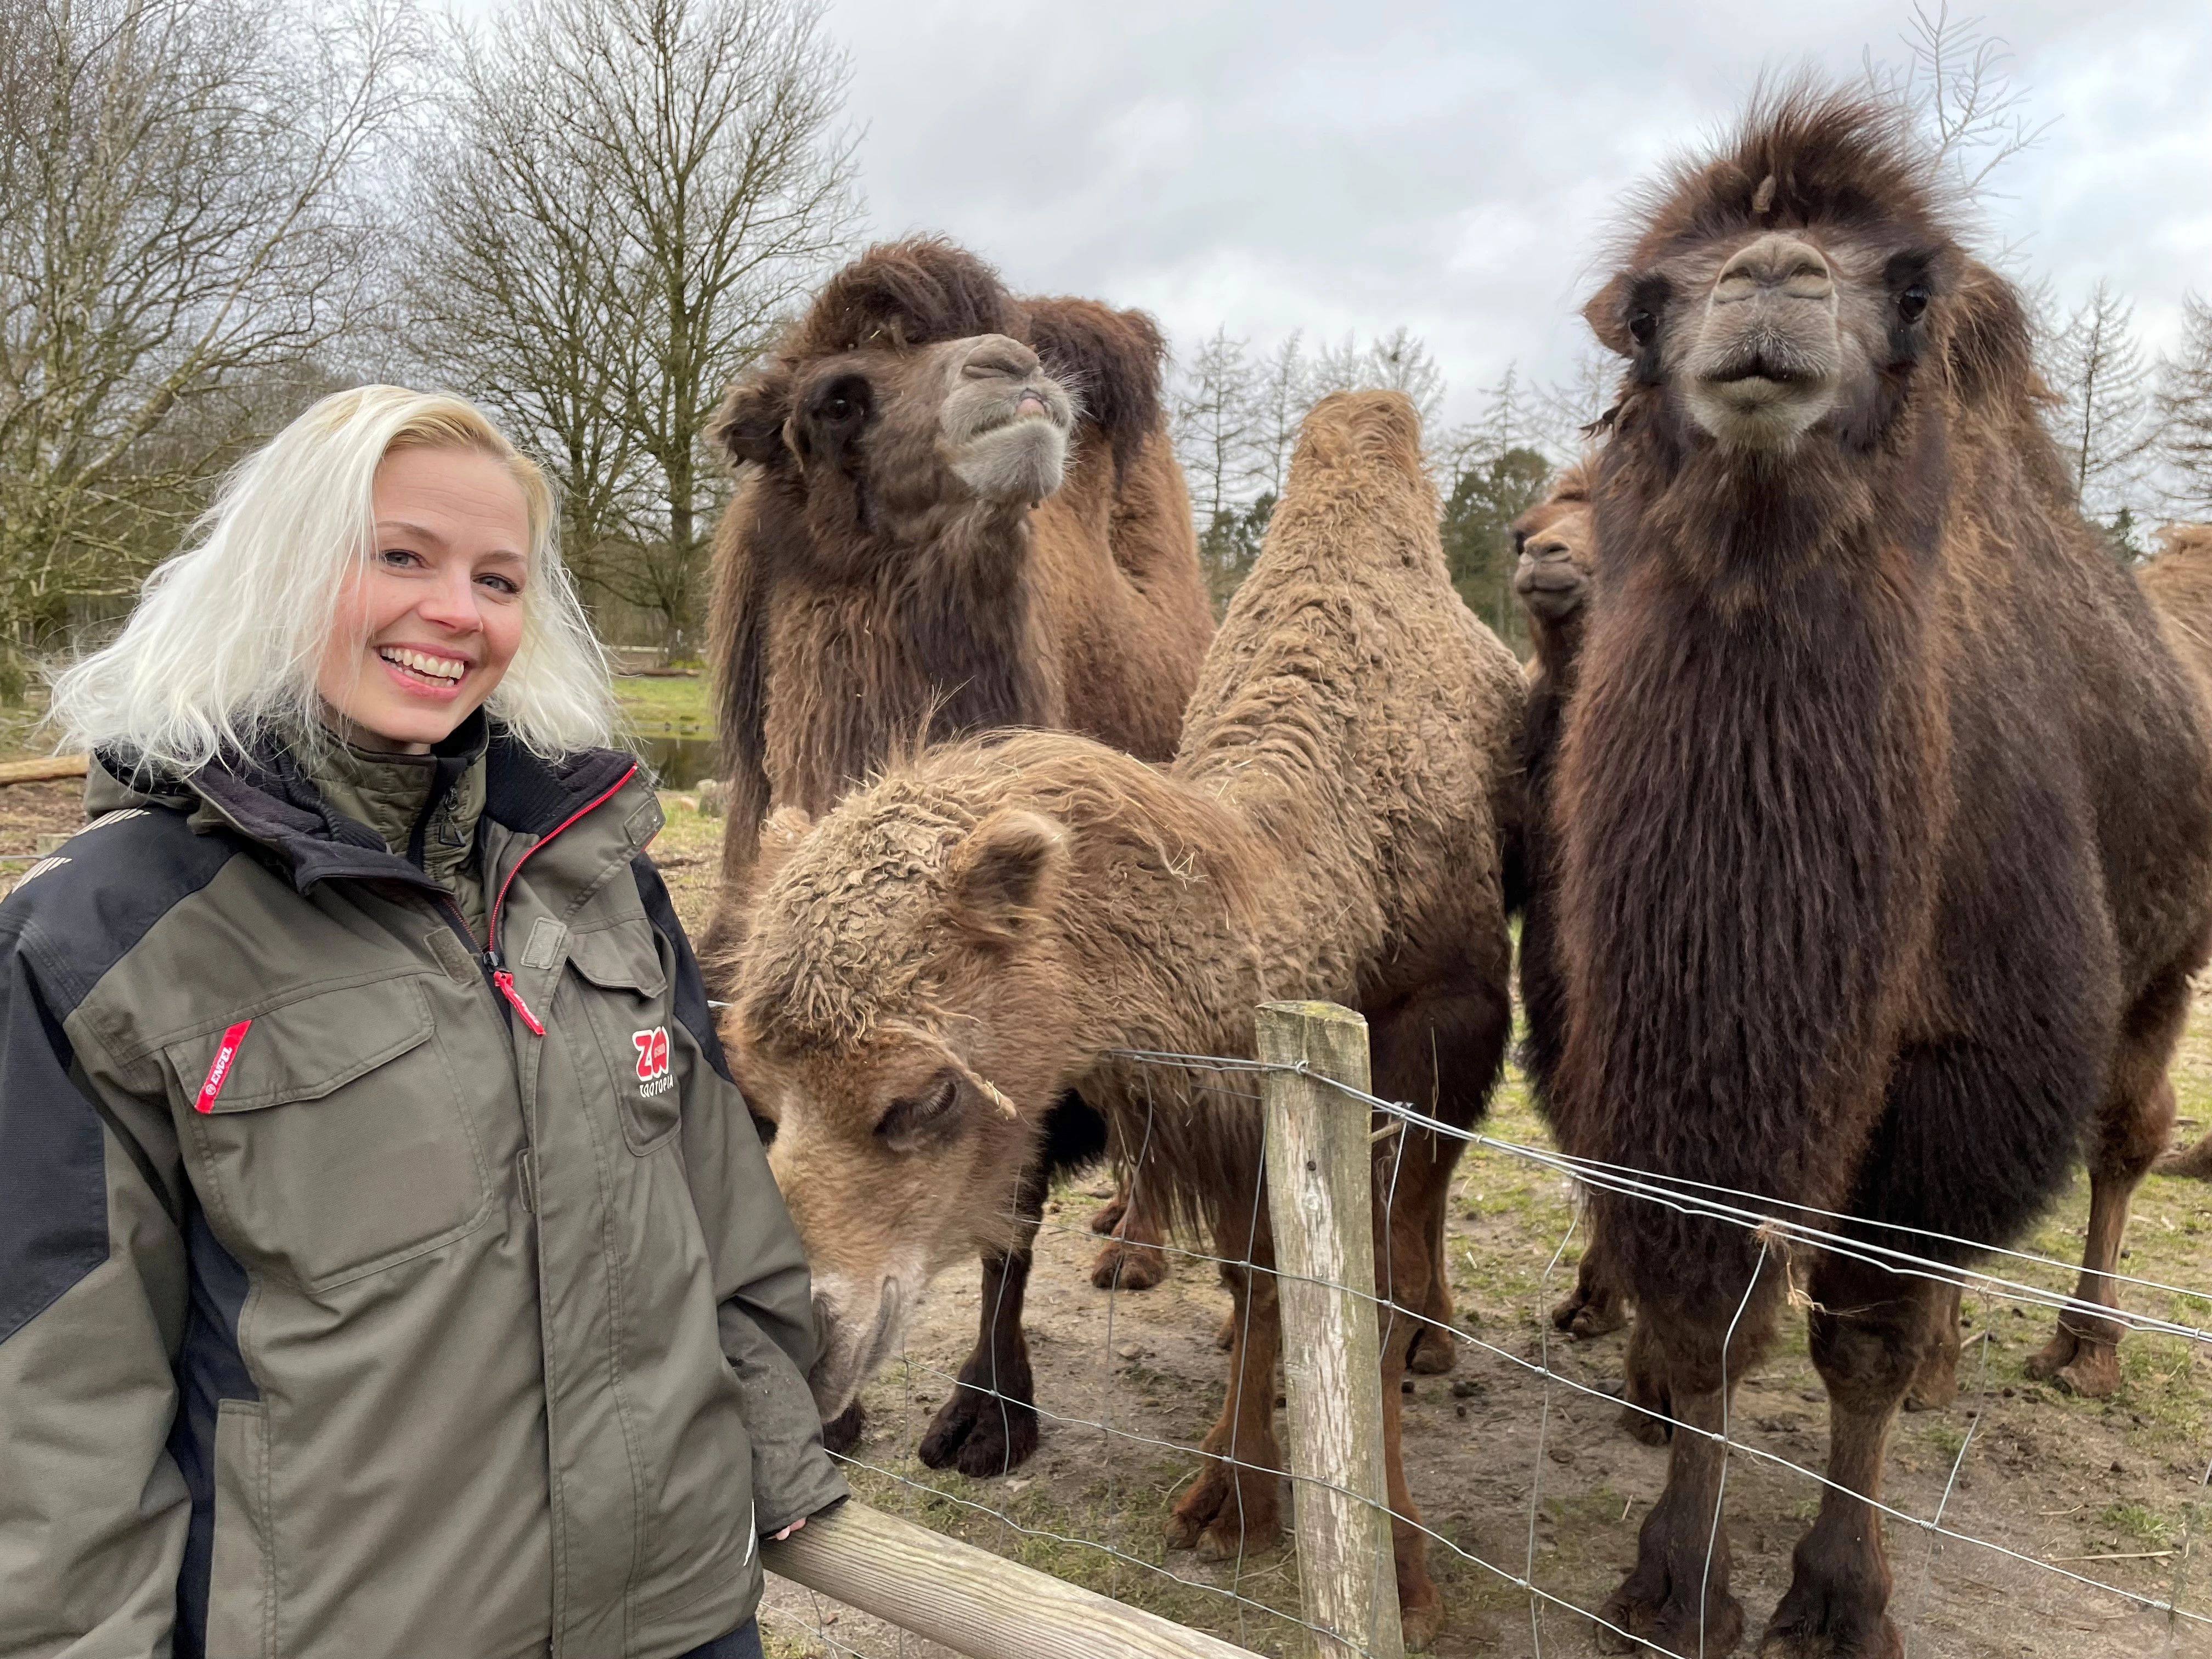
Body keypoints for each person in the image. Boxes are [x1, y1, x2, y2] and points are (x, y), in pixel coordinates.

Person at [0, 386, 844, 1658]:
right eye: (400, 556)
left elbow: (722, 1229)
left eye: (499, 578)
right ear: (278, 568)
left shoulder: (597, 878)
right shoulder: (102, 939)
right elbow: (52, 1404)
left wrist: (775, 1468)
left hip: (677, 1621)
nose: (458, 611)